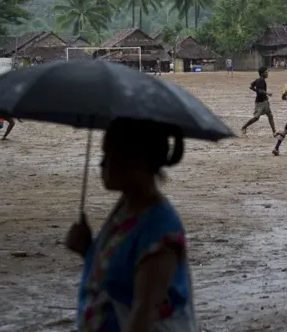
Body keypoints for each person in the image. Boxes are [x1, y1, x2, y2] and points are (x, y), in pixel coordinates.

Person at [66, 118, 196, 332]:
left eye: (110, 155)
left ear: (139, 161)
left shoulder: (159, 228)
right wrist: (88, 250)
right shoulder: (126, 209)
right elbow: (120, 278)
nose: (102, 164)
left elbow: (144, 311)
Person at [241, 66, 276, 136]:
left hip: (264, 101)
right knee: (256, 118)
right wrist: (267, 93)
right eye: (266, 72)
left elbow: (251, 87)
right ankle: (244, 127)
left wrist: (257, 91)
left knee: (270, 116)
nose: (267, 73)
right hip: (260, 102)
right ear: (262, 74)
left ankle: (274, 132)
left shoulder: (258, 80)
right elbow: (260, 90)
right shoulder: (261, 80)